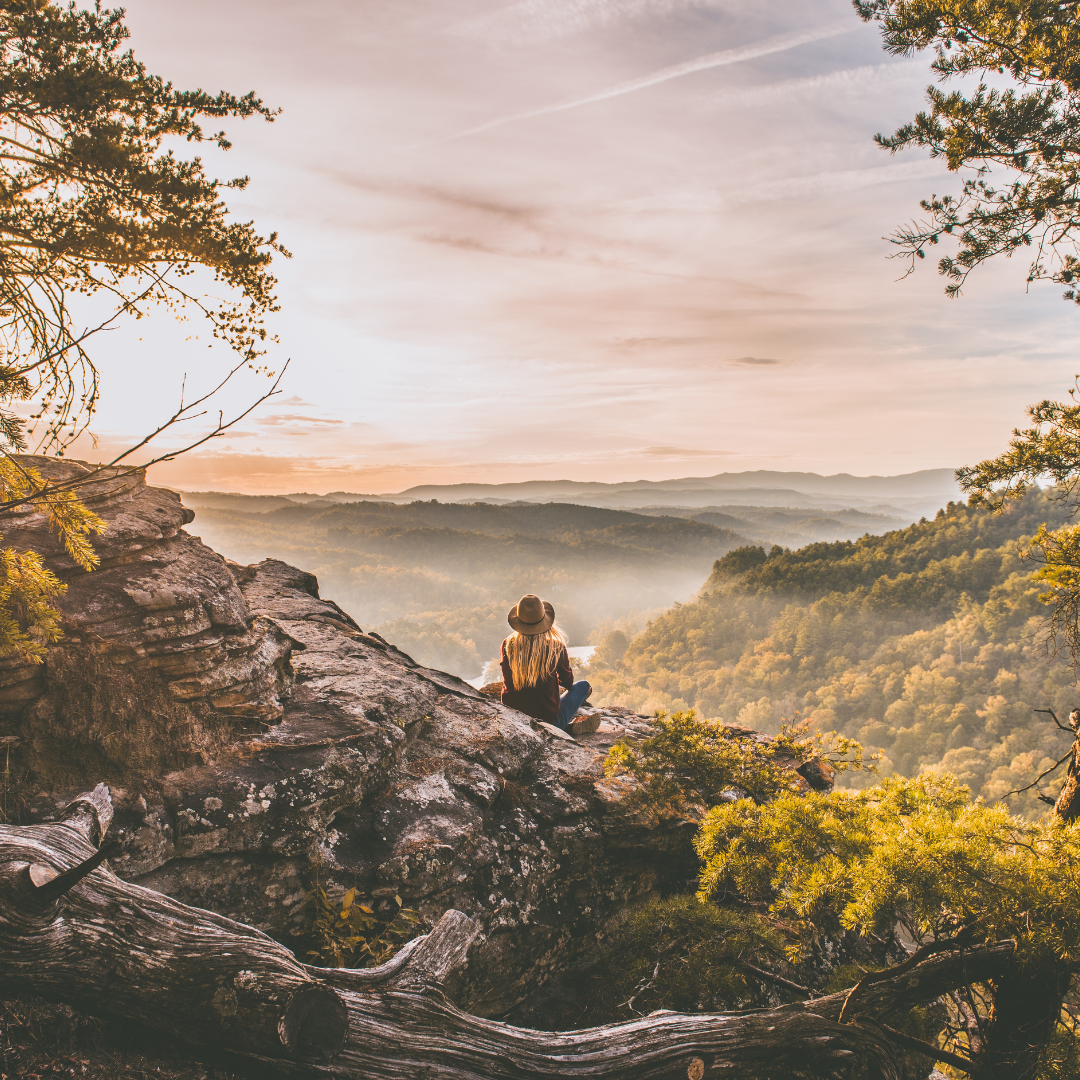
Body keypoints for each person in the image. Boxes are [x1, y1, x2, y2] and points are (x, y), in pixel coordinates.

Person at [500, 593, 599, 733]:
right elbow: (568, 682)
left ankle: (565, 726)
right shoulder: (555, 647)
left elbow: (506, 678)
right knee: (583, 686)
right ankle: (565, 727)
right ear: (544, 620)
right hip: (549, 722)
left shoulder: (508, 645)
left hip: (514, 720)